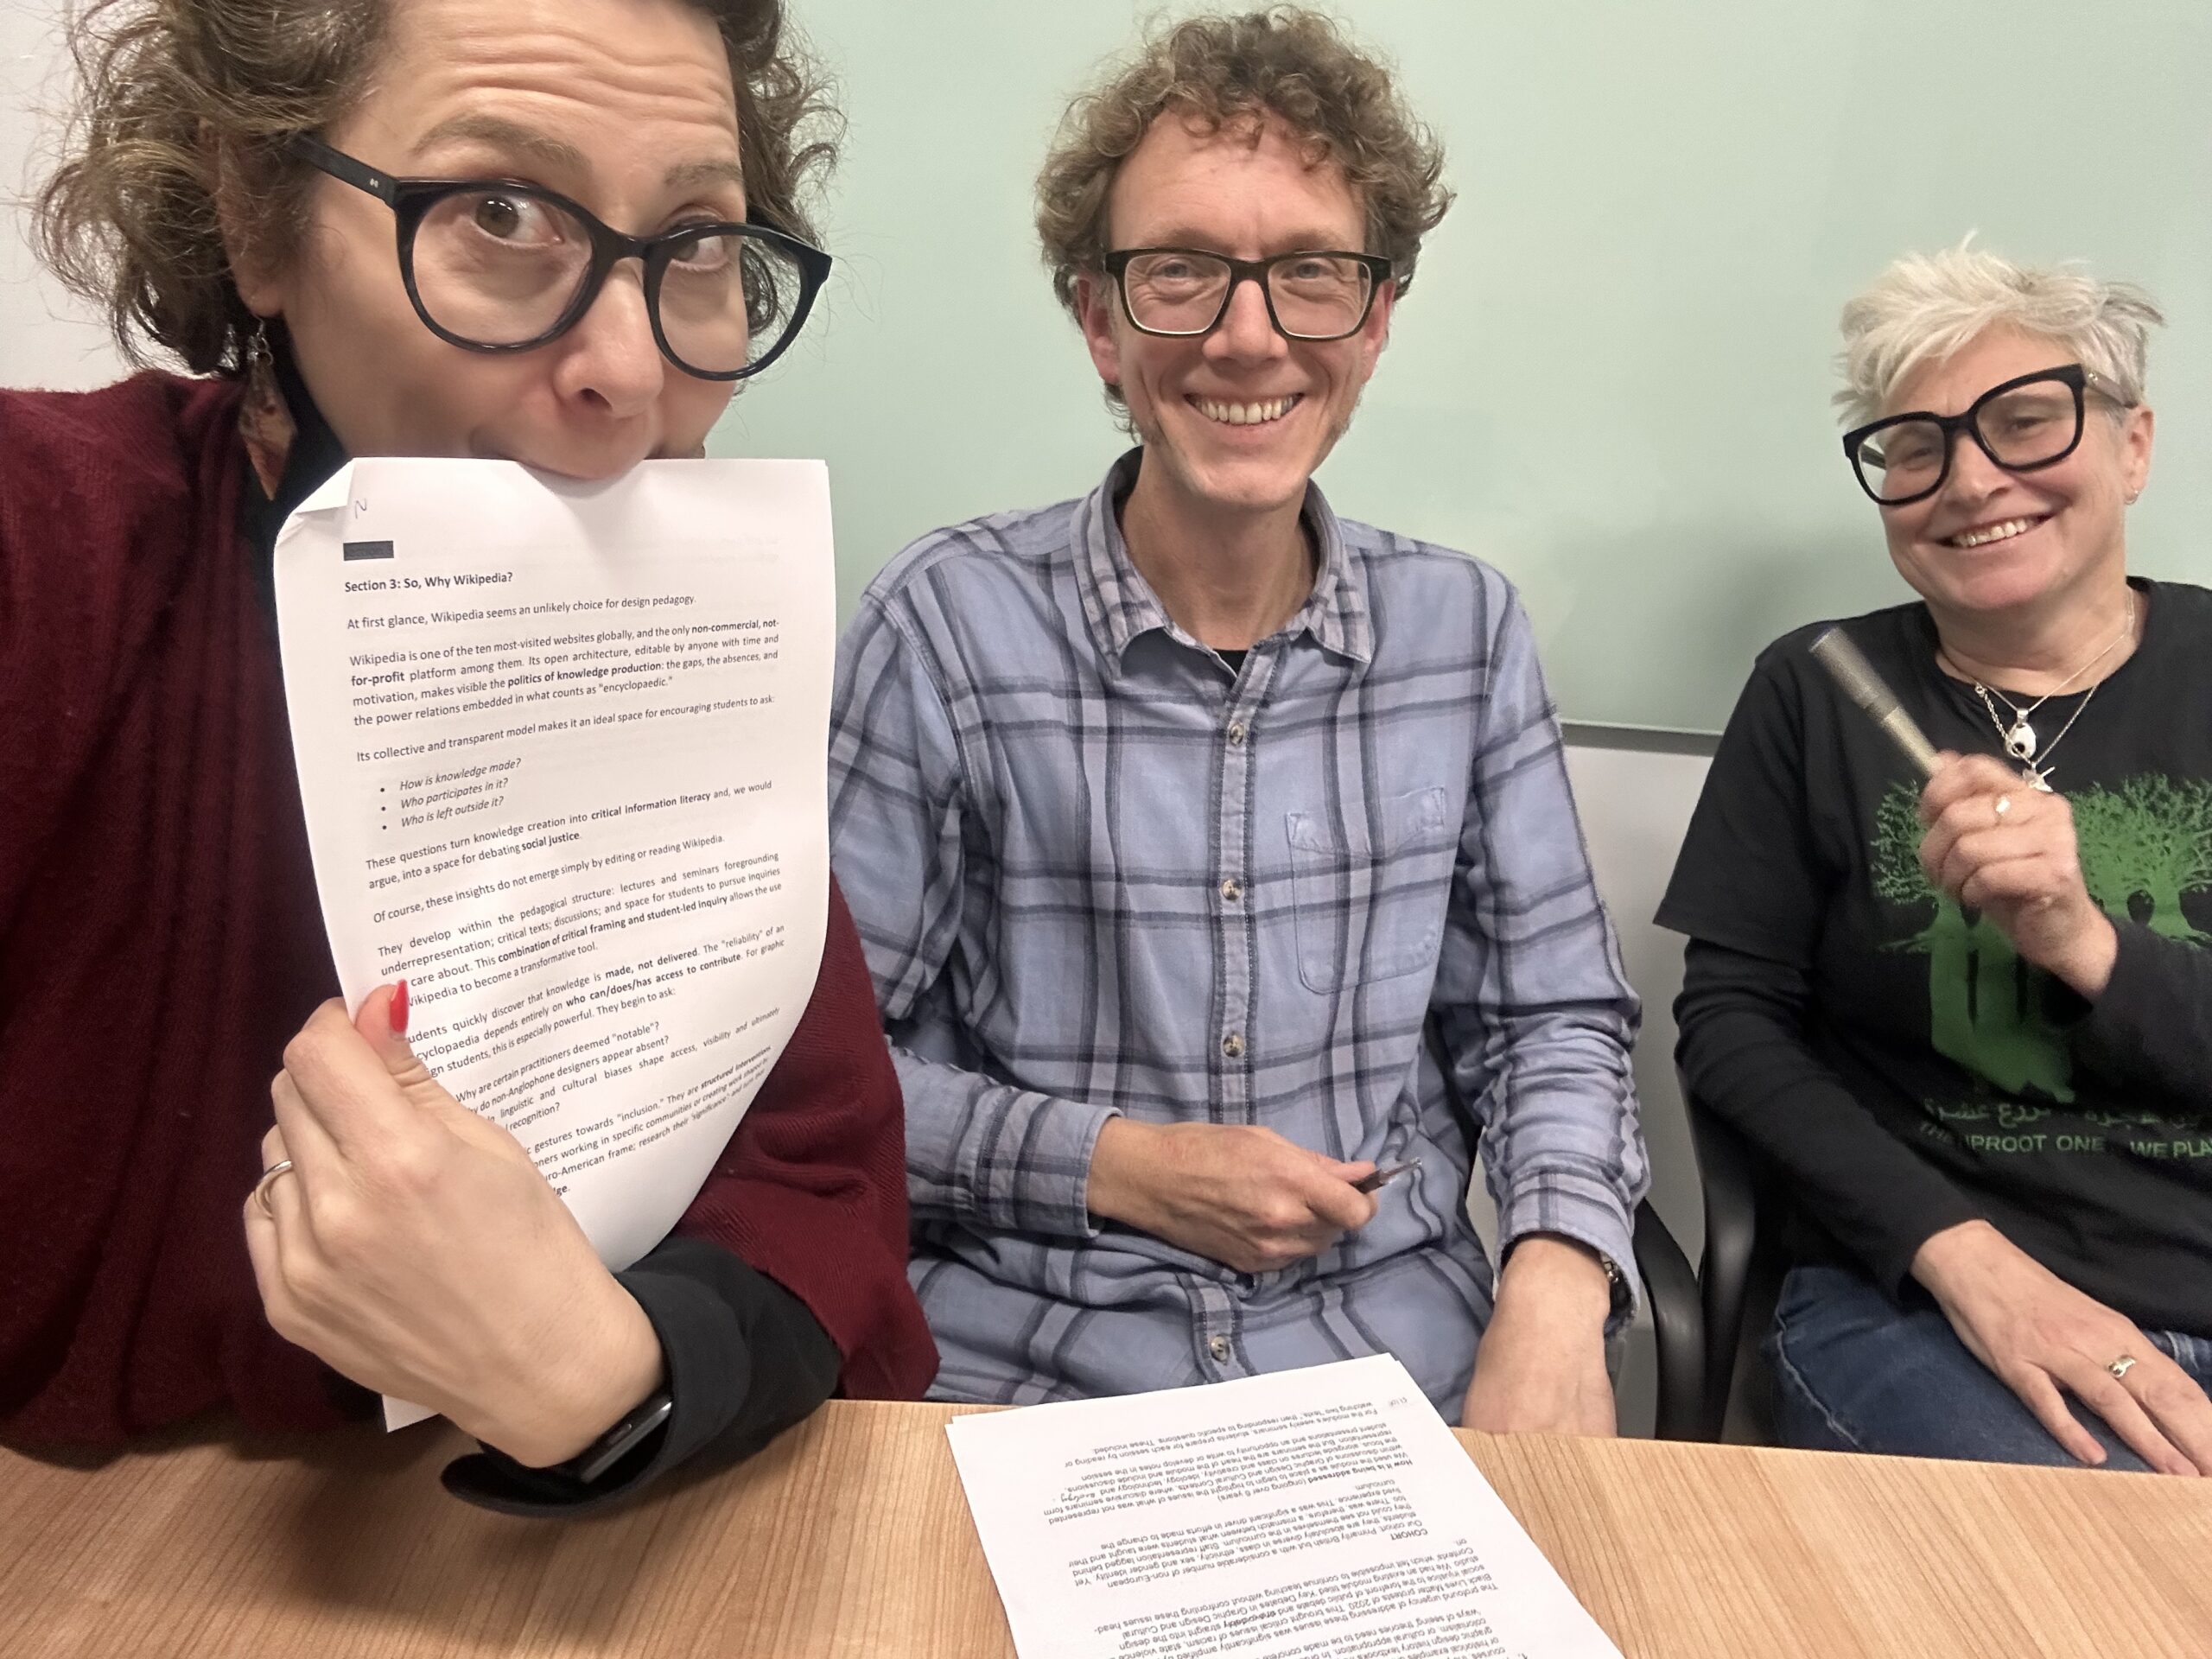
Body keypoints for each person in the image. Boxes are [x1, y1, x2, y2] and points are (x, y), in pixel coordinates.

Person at [2, 0, 934, 1511]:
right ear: (254, 216)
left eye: (697, 242)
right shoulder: (51, 553)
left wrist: (611, 1377)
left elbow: (818, 1183)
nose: (628, 373)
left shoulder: (686, 647)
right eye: (500, 212)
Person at [827, 9, 1648, 1427]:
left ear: (1375, 322)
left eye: (1312, 274)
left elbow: (1552, 1020)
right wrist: (1120, 1168)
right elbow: (818, 1076)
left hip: (1390, 1361)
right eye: (1181, 271)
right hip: (1023, 1367)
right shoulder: (944, 622)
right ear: (1100, 321)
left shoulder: (1465, 633)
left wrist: (1559, 1284)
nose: (1248, 336)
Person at [1660, 245, 2212, 1475]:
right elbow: (1734, 1025)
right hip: (1918, 1302)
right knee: (2113, 1563)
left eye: (2025, 422)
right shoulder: (1815, 690)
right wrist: (1971, 1267)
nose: (1969, 480)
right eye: (1915, 446)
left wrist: (2083, 942)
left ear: (2132, 446)